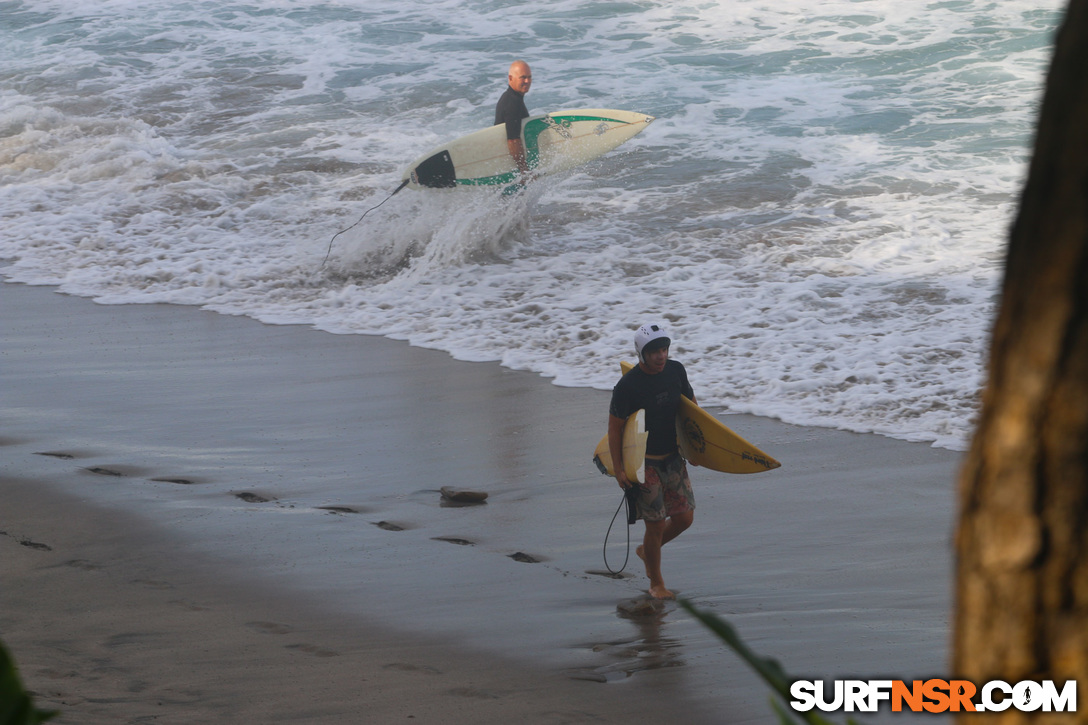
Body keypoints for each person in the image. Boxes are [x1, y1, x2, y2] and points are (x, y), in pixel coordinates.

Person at [607, 322, 696, 600]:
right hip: (644, 462)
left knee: (684, 518)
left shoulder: (676, 370)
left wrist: (697, 446)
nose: (661, 355)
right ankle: (656, 583)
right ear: (641, 353)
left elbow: (691, 407)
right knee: (655, 524)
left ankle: (647, 551)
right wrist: (620, 470)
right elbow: (615, 429)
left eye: (664, 349)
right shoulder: (627, 386)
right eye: (654, 350)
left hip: (673, 457)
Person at [494, 60, 532, 177]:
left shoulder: (511, 97)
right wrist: (524, 171)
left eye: (529, 77)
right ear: (510, 78)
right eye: (523, 77)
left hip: (507, 163)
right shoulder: (513, 103)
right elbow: (513, 140)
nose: (527, 81)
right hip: (512, 164)